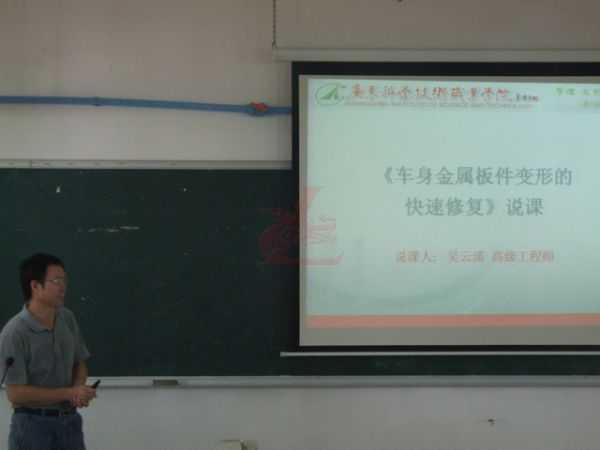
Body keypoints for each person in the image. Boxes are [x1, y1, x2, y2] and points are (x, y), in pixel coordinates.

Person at [0, 253, 96, 450]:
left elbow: (79, 363)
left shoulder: (67, 318)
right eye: (56, 281)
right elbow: (15, 393)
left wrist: (78, 390)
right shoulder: (14, 332)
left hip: (69, 424)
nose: (63, 287)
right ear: (35, 286)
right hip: (32, 427)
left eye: (64, 280)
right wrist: (69, 393)